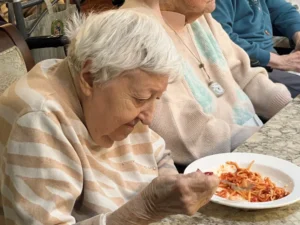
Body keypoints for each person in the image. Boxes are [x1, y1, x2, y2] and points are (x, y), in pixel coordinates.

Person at [0, 10, 219, 225]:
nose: (149, 118)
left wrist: (173, 186)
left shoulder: (109, 89)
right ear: (89, 78)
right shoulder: (38, 120)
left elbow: (159, 156)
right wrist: (148, 208)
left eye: (156, 98)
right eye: (141, 98)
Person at [120, 0, 292, 172]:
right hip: (211, 165)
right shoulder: (136, 32)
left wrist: (289, 110)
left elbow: (244, 74)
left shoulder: (200, 18)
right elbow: (183, 131)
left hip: (251, 141)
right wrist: (264, 140)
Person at [212, 0, 300, 98]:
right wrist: (280, 61)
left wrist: (298, 35)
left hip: (270, 63)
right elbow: (221, 38)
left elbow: (283, 10)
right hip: (245, 68)